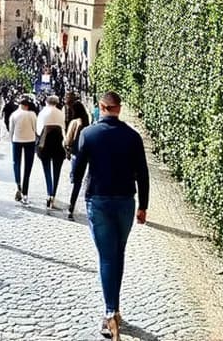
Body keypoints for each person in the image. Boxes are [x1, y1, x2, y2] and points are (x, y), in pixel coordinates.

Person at [69, 92, 149, 341]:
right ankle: (116, 308)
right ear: (119, 108)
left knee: (106, 257)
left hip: (99, 200)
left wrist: (75, 189)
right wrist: (143, 206)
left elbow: (77, 170)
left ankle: (110, 312)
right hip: (126, 200)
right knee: (119, 253)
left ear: (102, 107)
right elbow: (143, 174)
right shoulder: (133, 137)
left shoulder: (89, 134)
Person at [36, 94, 67, 210]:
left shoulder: (42, 113)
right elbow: (64, 128)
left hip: (45, 144)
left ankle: (49, 193)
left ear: (46, 102)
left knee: (47, 170)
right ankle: (53, 194)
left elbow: (39, 131)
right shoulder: (60, 113)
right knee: (57, 171)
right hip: (58, 144)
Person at [64, 94, 92, 218]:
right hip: (86, 153)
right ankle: (74, 204)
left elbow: (69, 140)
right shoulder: (87, 123)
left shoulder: (75, 123)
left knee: (76, 180)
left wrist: (68, 150)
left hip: (76, 152)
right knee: (79, 180)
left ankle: (71, 205)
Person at [9, 96, 39, 205]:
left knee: (16, 164)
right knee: (28, 166)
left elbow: (11, 130)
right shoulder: (32, 114)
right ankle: (25, 192)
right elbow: (36, 129)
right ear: (27, 105)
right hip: (30, 140)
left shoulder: (14, 115)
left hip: (17, 140)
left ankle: (18, 185)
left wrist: (11, 140)